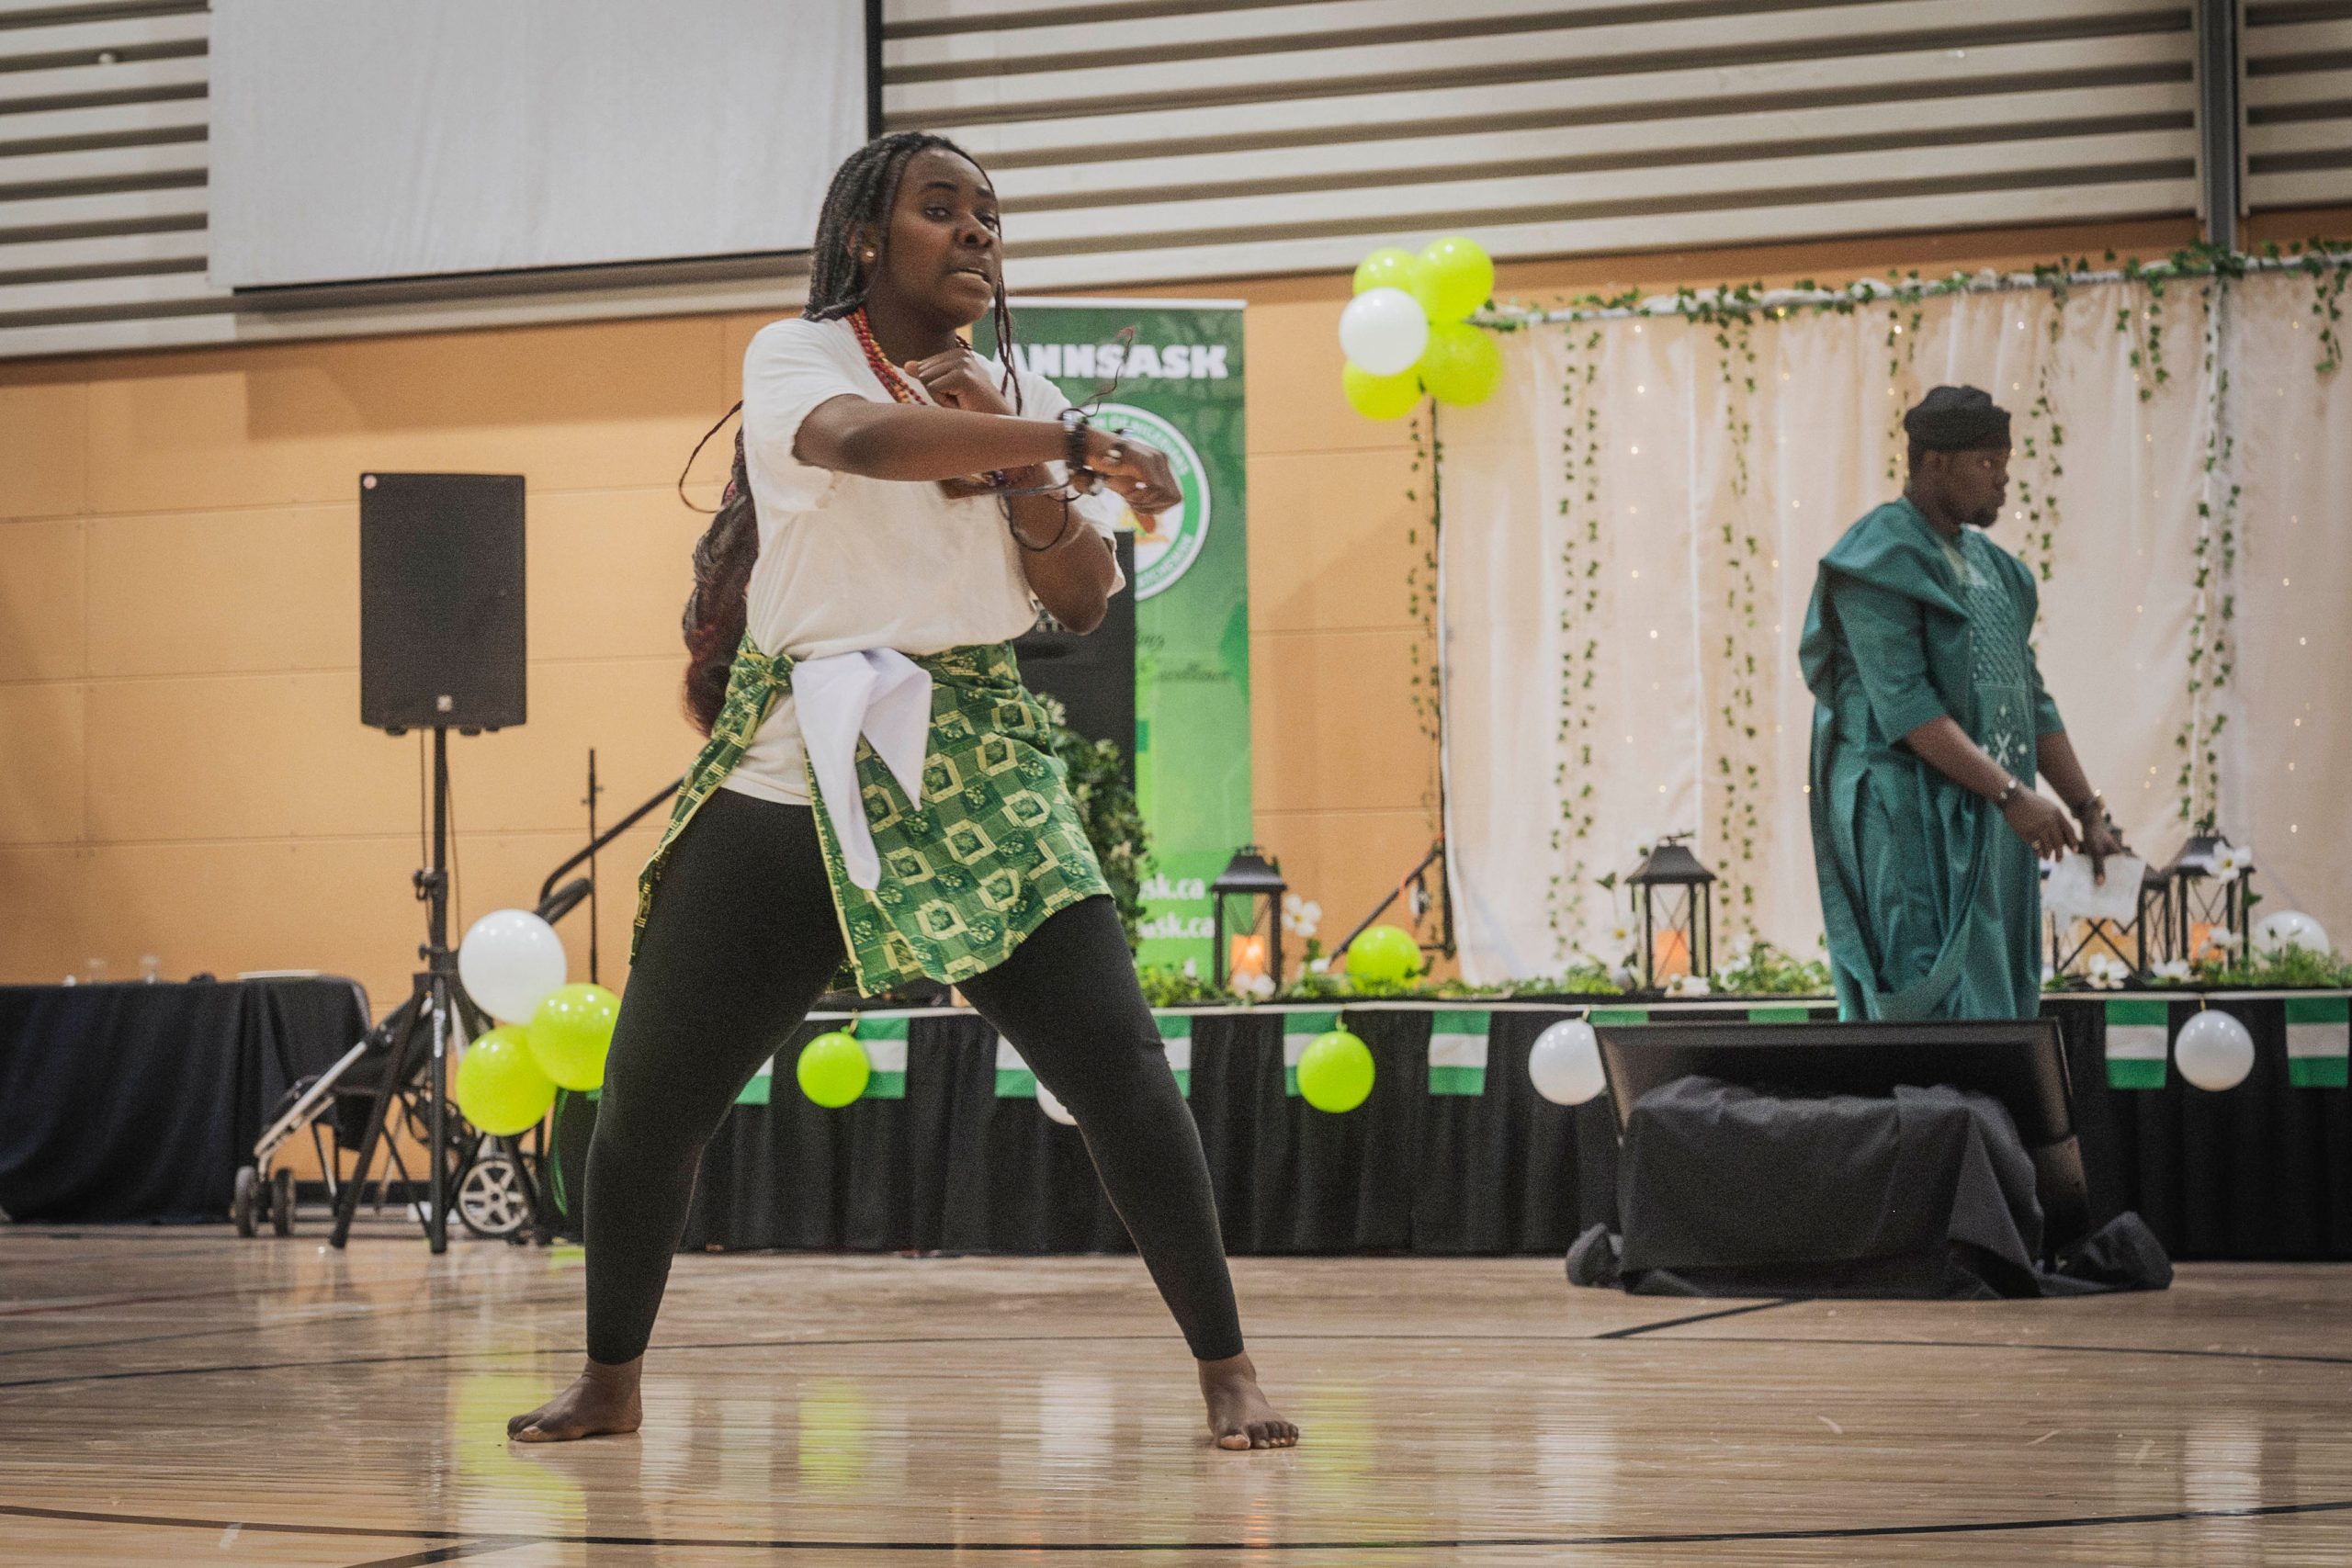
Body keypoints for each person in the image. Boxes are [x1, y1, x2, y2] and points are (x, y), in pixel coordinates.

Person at [507, 131, 1296, 1451]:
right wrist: (1068, 438)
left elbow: (1081, 598)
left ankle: (1228, 1369)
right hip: (795, 757)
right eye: (943, 209)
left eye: (990, 214)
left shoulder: (1019, 389)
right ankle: (610, 1378)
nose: (978, 231)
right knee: (646, 1103)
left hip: (974, 757)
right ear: (868, 236)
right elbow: (866, 441)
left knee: (1123, 1076)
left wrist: (1032, 456)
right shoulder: (798, 353)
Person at [1800, 386, 2127, 1021]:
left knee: (1994, 999)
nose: (2002, 479)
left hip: (1991, 814)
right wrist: (2011, 794)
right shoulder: (1878, 558)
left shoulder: (1996, 568)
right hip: (1906, 816)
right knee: (1924, 996)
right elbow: (1906, 705)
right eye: (1986, 462)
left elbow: (2030, 698)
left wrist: (2087, 809)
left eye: (2005, 463)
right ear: (1934, 463)